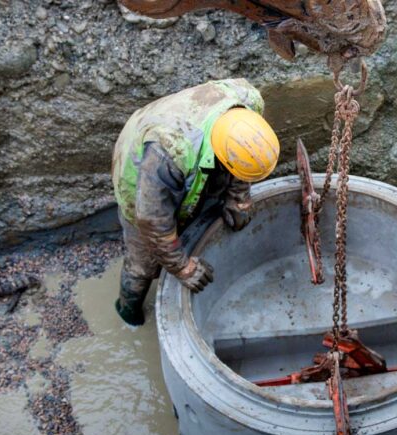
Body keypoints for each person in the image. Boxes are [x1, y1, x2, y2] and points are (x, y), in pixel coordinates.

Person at [111, 79, 280, 326]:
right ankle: (128, 313)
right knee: (143, 265)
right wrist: (182, 267)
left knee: (200, 200)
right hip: (140, 177)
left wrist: (239, 197)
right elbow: (152, 220)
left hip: (193, 149)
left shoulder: (248, 103)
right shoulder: (170, 152)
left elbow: (246, 160)